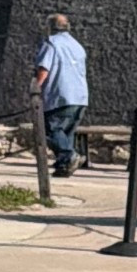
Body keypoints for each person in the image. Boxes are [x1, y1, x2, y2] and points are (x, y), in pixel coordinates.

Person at [33, 14, 88, 177]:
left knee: (51, 129)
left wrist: (36, 87)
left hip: (60, 95)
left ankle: (68, 155)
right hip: (80, 97)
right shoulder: (77, 46)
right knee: (66, 133)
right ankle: (64, 166)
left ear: (50, 27)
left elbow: (44, 68)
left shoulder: (51, 43)